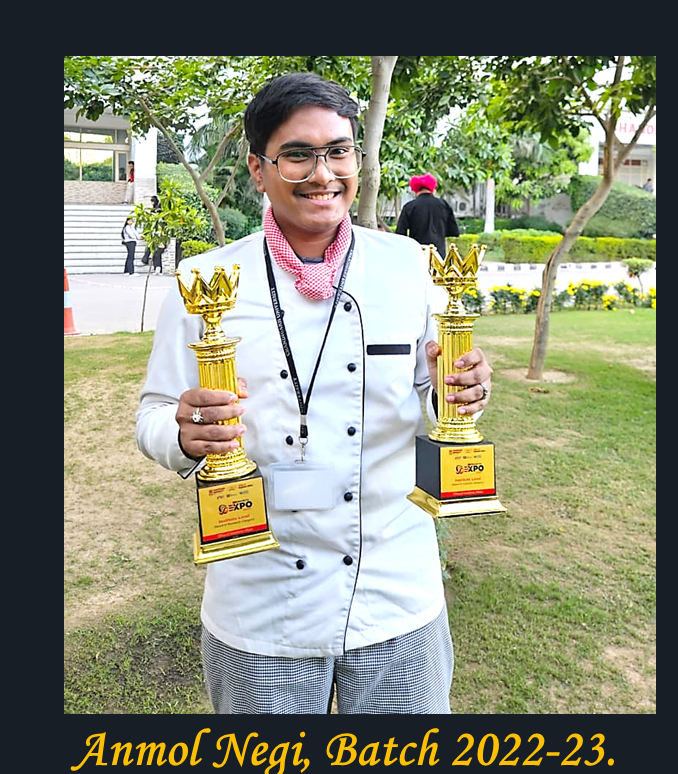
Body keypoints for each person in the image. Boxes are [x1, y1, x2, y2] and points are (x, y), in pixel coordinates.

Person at [136, 72, 493, 715]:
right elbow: (153, 415)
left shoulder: (409, 268)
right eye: (298, 154)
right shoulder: (205, 280)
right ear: (258, 169)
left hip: (395, 596)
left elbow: (433, 392)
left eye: (338, 151)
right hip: (261, 604)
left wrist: (461, 393)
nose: (323, 173)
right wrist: (183, 435)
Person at [395, 173, 460, 258]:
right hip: (438, 255)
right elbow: (454, 232)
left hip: (418, 253)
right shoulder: (444, 205)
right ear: (432, 188)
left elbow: (400, 233)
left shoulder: (409, 207)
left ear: (416, 189)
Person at [141, 195, 165, 274]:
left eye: (152, 201)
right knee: (153, 250)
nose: (151, 203)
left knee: (155, 252)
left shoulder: (157, 210)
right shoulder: (154, 209)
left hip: (157, 234)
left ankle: (156, 267)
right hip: (154, 233)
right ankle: (157, 268)